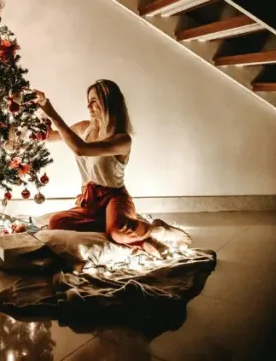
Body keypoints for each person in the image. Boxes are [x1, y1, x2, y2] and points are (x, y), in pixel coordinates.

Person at [34, 80, 191, 255]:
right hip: (90, 199)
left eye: (94, 100)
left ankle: (157, 230)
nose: (88, 105)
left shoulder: (122, 140)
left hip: (114, 198)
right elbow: (49, 136)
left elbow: (80, 149)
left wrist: (52, 112)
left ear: (108, 103)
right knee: (57, 222)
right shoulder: (84, 127)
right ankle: (123, 226)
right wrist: (38, 108)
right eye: (88, 100)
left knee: (117, 233)